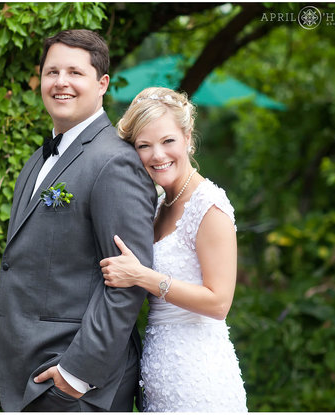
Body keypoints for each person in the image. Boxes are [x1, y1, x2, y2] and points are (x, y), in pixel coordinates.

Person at [0, 29, 158, 412]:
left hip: (77, 385)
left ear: (102, 84)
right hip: (27, 375)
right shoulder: (38, 158)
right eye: (52, 72)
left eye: (74, 72)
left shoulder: (115, 162)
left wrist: (76, 374)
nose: (61, 82)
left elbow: (129, 281)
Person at [100, 87, 247, 411]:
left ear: (187, 137)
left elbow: (219, 303)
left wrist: (141, 276)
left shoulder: (209, 206)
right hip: (158, 368)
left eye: (168, 141)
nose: (158, 155)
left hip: (200, 375)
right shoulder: (156, 205)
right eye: (144, 146)